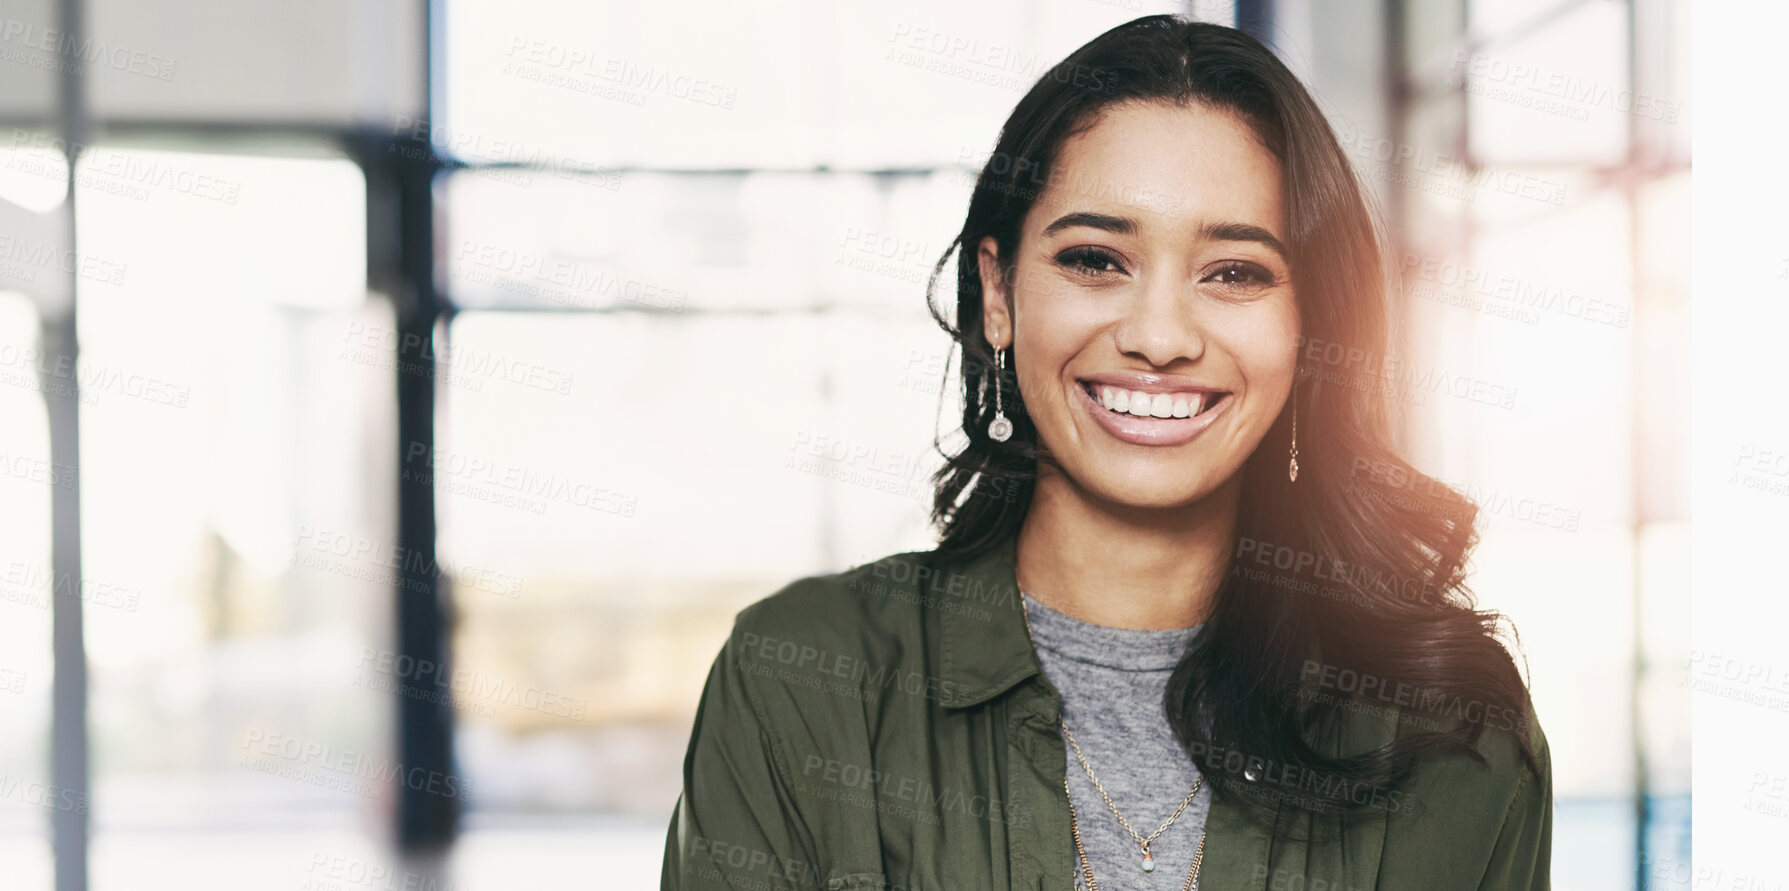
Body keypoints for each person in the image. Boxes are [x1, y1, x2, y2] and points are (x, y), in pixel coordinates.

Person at [662, 14, 1550, 891]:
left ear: (1312, 323)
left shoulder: (1448, 729)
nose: (1159, 337)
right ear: (998, 291)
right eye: (1094, 259)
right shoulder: (802, 679)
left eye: (1234, 271)